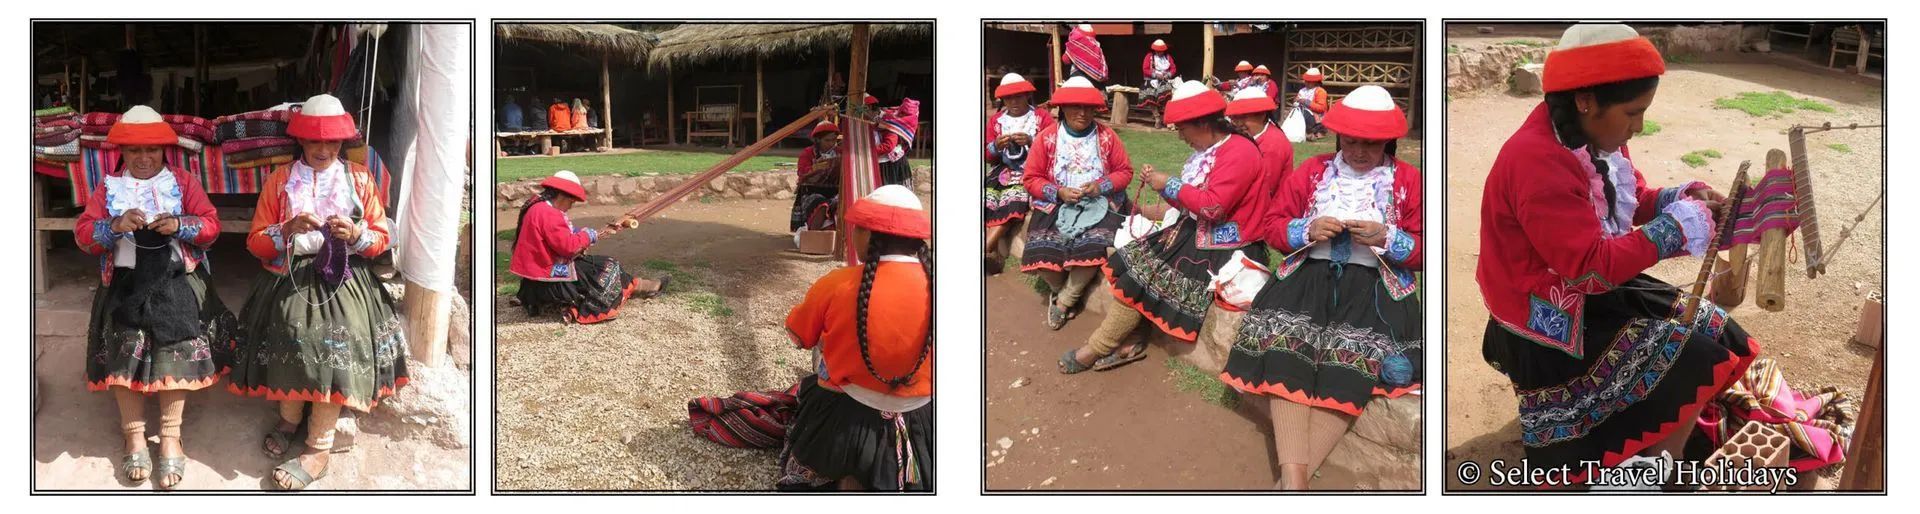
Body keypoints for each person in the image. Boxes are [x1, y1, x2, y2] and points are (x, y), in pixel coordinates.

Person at [1477, 24, 1754, 485]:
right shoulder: (1536, 160)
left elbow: (1626, 198)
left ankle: (1649, 448)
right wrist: (1675, 228)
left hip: (1588, 280)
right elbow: (1588, 271)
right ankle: (1651, 476)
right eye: (1633, 113)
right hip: (1545, 311)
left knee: (1713, 326)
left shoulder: (1588, 131)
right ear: (1586, 100)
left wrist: (1681, 199)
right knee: (1690, 361)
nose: (1638, 127)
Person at [1221, 85, 1424, 489]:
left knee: (1354, 358)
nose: (1360, 151)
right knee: (1285, 343)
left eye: (1371, 143)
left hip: (1376, 289)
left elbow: (1424, 248)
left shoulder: (1408, 180)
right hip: (1307, 278)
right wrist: (1308, 229)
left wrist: (1387, 237)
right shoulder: (1313, 171)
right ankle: (1295, 477)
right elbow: (1273, 226)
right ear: (1338, 137)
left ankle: (1290, 481)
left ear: (1390, 141)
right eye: (1351, 141)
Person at [227, 94, 410, 491]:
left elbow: (382, 238)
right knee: (290, 329)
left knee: (335, 338)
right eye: (315, 142)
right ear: (302, 142)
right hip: (291, 273)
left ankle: (318, 446)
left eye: (332, 143)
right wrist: (286, 230)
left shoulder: (359, 178)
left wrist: (358, 234)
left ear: (343, 144)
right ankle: (291, 416)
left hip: (346, 275)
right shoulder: (280, 181)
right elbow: (256, 242)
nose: (323, 150)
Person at [74, 105, 239, 490]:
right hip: (124, 283)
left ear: (165, 150)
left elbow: (212, 226)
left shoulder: (183, 182)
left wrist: (181, 225)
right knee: (123, 350)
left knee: (174, 349)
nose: (144, 159)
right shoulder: (109, 188)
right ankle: (133, 434)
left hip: (176, 279)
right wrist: (113, 226)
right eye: (134, 152)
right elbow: (83, 235)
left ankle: (169, 436)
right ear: (122, 154)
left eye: (152, 150)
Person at [1059, 80, 1272, 373]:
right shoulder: (1211, 149)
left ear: (1201, 123)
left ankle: (1097, 347)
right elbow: (1192, 200)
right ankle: (1128, 339)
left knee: (1145, 271)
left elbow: (1212, 207)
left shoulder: (1239, 153)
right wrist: (1162, 187)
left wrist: (1169, 183)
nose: (1181, 137)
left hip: (1229, 244)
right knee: (1137, 262)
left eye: (1183, 129)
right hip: (1198, 233)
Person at [778, 184, 933, 491]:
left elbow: (799, 336)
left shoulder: (838, 283)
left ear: (867, 234)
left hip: (845, 418)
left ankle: (848, 468)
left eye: (855, 229)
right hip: (921, 414)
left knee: (816, 381)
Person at [1020, 77, 1132, 331]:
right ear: (1064, 108)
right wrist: (1058, 191)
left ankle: (1063, 302)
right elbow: (1031, 178)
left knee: (1093, 244)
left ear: (1095, 110)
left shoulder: (1107, 137)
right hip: (1056, 201)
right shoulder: (1047, 138)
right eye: (1075, 107)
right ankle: (1061, 290)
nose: (1082, 113)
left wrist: (1100, 186)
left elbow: (1124, 171)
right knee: (1040, 250)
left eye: (1088, 108)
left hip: (1100, 202)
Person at [509, 170, 666, 323]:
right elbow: (568, 248)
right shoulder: (549, 214)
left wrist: (585, 234)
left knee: (594, 264)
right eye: (571, 202)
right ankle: (582, 307)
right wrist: (590, 235)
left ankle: (641, 285)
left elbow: (557, 235)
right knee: (609, 265)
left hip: (535, 273)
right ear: (563, 195)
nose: (570, 206)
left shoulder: (537, 205)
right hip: (548, 274)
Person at [984, 73, 1056, 274]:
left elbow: (1055, 147)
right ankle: (991, 252)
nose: (1013, 102)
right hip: (1001, 171)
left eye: (1018, 97)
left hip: (1030, 172)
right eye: (1008, 98)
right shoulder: (997, 121)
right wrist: (996, 146)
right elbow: (987, 156)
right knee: (987, 199)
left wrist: (1033, 141)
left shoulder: (1041, 118)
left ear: (1027, 96)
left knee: (1013, 201)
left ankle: (984, 250)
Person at [1224, 87, 1295, 188]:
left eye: (1243, 117)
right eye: (1234, 118)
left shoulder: (1273, 145)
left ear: (1262, 115)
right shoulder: (1254, 136)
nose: (1238, 123)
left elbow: (1265, 188)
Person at [794, 121, 843, 233]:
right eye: (827, 140)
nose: (831, 144)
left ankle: (838, 238)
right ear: (818, 140)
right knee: (821, 204)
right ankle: (813, 237)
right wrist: (814, 168)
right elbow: (801, 173)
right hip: (811, 192)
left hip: (834, 192)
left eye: (834, 140)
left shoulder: (840, 153)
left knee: (842, 203)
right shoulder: (808, 153)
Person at [872, 97, 920, 187]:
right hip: (891, 161)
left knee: (889, 190)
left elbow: (888, 146)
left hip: (890, 164)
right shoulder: (887, 120)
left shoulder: (891, 126)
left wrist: (868, 151)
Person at [1294, 68, 1331, 140]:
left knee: (1303, 114)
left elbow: (1321, 108)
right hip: (1301, 112)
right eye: (1306, 81)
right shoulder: (1302, 90)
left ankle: (1314, 132)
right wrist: (1296, 101)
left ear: (1316, 82)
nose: (1307, 83)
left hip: (1315, 117)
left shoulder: (1320, 91)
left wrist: (1306, 102)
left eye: (1309, 81)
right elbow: (1297, 100)